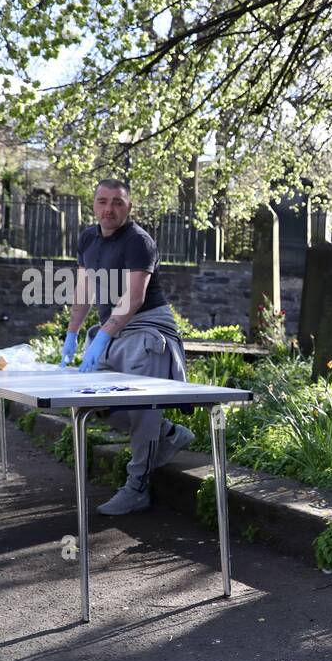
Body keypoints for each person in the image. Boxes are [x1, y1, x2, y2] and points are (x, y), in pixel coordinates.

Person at [60, 179, 193, 515]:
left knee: (141, 410)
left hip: (148, 328)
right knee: (97, 405)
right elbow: (84, 292)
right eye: (102, 201)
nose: (109, 209)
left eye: (117, 202)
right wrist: (72, 334)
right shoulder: (88, 238)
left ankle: (137, 487)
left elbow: (133, 297)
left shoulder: (139, 242)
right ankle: (171, 434)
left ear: (128, 207)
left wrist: (103, 335)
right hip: (113, 329)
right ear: (93, 205)